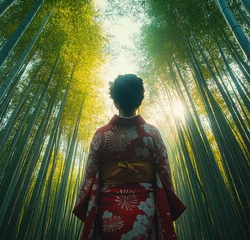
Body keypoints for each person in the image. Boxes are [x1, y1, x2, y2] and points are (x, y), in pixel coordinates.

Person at [73, 74, 185, 239]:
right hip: (145, 205)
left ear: (115, 102)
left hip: (108, 206)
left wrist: (83, 200)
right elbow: (164, 172)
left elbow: (90, 174)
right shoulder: (152, 133)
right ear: (139, 101)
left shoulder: (101, 134)